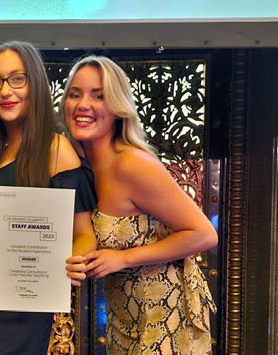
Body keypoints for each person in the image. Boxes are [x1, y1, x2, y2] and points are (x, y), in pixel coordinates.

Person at [60, 55, 218, 353]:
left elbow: (204, 234)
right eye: (75, 94)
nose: (83, 104)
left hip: (167, 318)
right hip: (125, 317)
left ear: (118, 108)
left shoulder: (132, 164)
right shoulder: (77, 164)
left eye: (99, 96)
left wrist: (124, 258)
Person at [0, 41, 97, 355]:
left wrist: (68, 266)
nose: (5, 91)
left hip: (26, 311)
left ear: (35, 85)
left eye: (17, 79)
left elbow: (84, 236)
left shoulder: (55, 150)